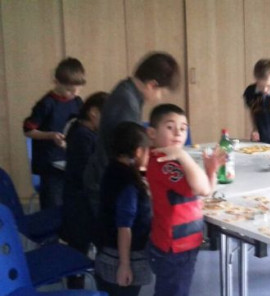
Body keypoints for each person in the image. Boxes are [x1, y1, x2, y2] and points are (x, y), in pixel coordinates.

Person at [146, 104, 224, 296]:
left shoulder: (172, 160)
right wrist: (183, 155)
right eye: (170, 127)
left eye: (183, 127)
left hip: (176, 244)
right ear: (152, 134)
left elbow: (204, 189)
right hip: (174, 248)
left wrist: (210, 169)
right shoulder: (166, 161)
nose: (178, 132)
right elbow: (201, 189)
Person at [84, 52, 180, 220]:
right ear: (152, 85)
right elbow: (128, 148)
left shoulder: (127, 90)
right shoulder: (126, 101)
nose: (159, 99)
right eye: (161, 93)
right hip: (107, 180)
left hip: (109, 175)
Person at [94, 122, 153, 296]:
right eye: (148, 150)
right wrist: (125, 264)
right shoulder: (128, 182)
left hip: (109, 252)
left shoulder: (114, 170)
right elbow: (124, 226)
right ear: (138, 151)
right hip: (122, 256)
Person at [23, 57, 86, 209]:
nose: (73, 94)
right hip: (49, 164)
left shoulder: (77, 102)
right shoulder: (46, 104)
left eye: (77, 90)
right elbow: (28, 130)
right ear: (56, 82)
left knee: (73, 203)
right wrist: (50, 135)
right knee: (53, 205)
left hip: (69, 161)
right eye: (69, 90)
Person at [62, 91, 109, 256]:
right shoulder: (82, 136)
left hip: (81, 201)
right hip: (82, 206)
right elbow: (88, 173)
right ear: (93, 112)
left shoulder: (83, 131)